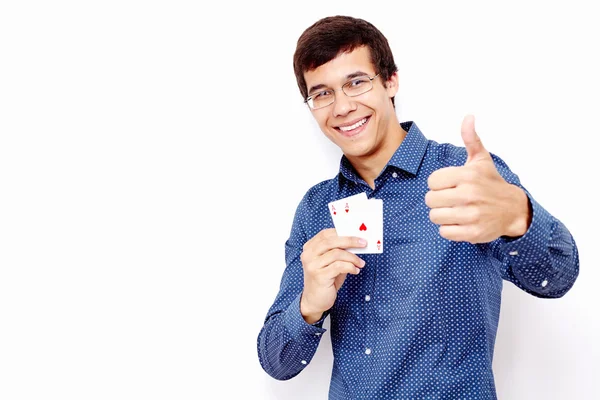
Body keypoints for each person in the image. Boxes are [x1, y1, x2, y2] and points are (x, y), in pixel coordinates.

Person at [256, 15, 579, 400]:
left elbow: (559, 275)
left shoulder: (464, 176)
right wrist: (308, 306)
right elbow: (277, 362)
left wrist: (518, 217)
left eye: (356, 82)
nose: (341, 106)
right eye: (322, 93)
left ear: (390, 80)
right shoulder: (315, 208)